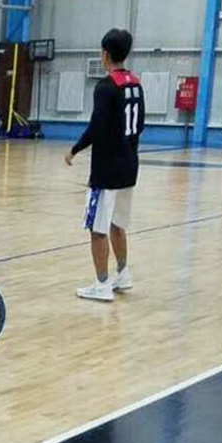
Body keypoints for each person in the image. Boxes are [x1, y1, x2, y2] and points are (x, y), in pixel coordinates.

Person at [64, 28, 145, 303]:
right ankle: (123, 274)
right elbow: (140, 124)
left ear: (105, 54)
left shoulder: (105, 87)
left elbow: (96, 126)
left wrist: (74, 149)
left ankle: (101, 285)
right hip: (129, 166)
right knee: (117, 224)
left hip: (106, 170)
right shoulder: (135, 84)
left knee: (97, 229)